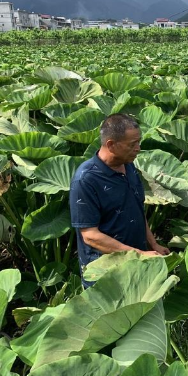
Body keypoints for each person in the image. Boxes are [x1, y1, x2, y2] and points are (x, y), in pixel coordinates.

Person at [70, 113, 170, 288]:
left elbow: (136, 209)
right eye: (132, 144)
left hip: (136, 264)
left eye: (139, 142)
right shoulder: (86, 179)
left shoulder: (129, 166)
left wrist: (152, 244)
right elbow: (90, 236)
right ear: (111, 145)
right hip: (106, 273)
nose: (138, 148)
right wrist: (138, 254)